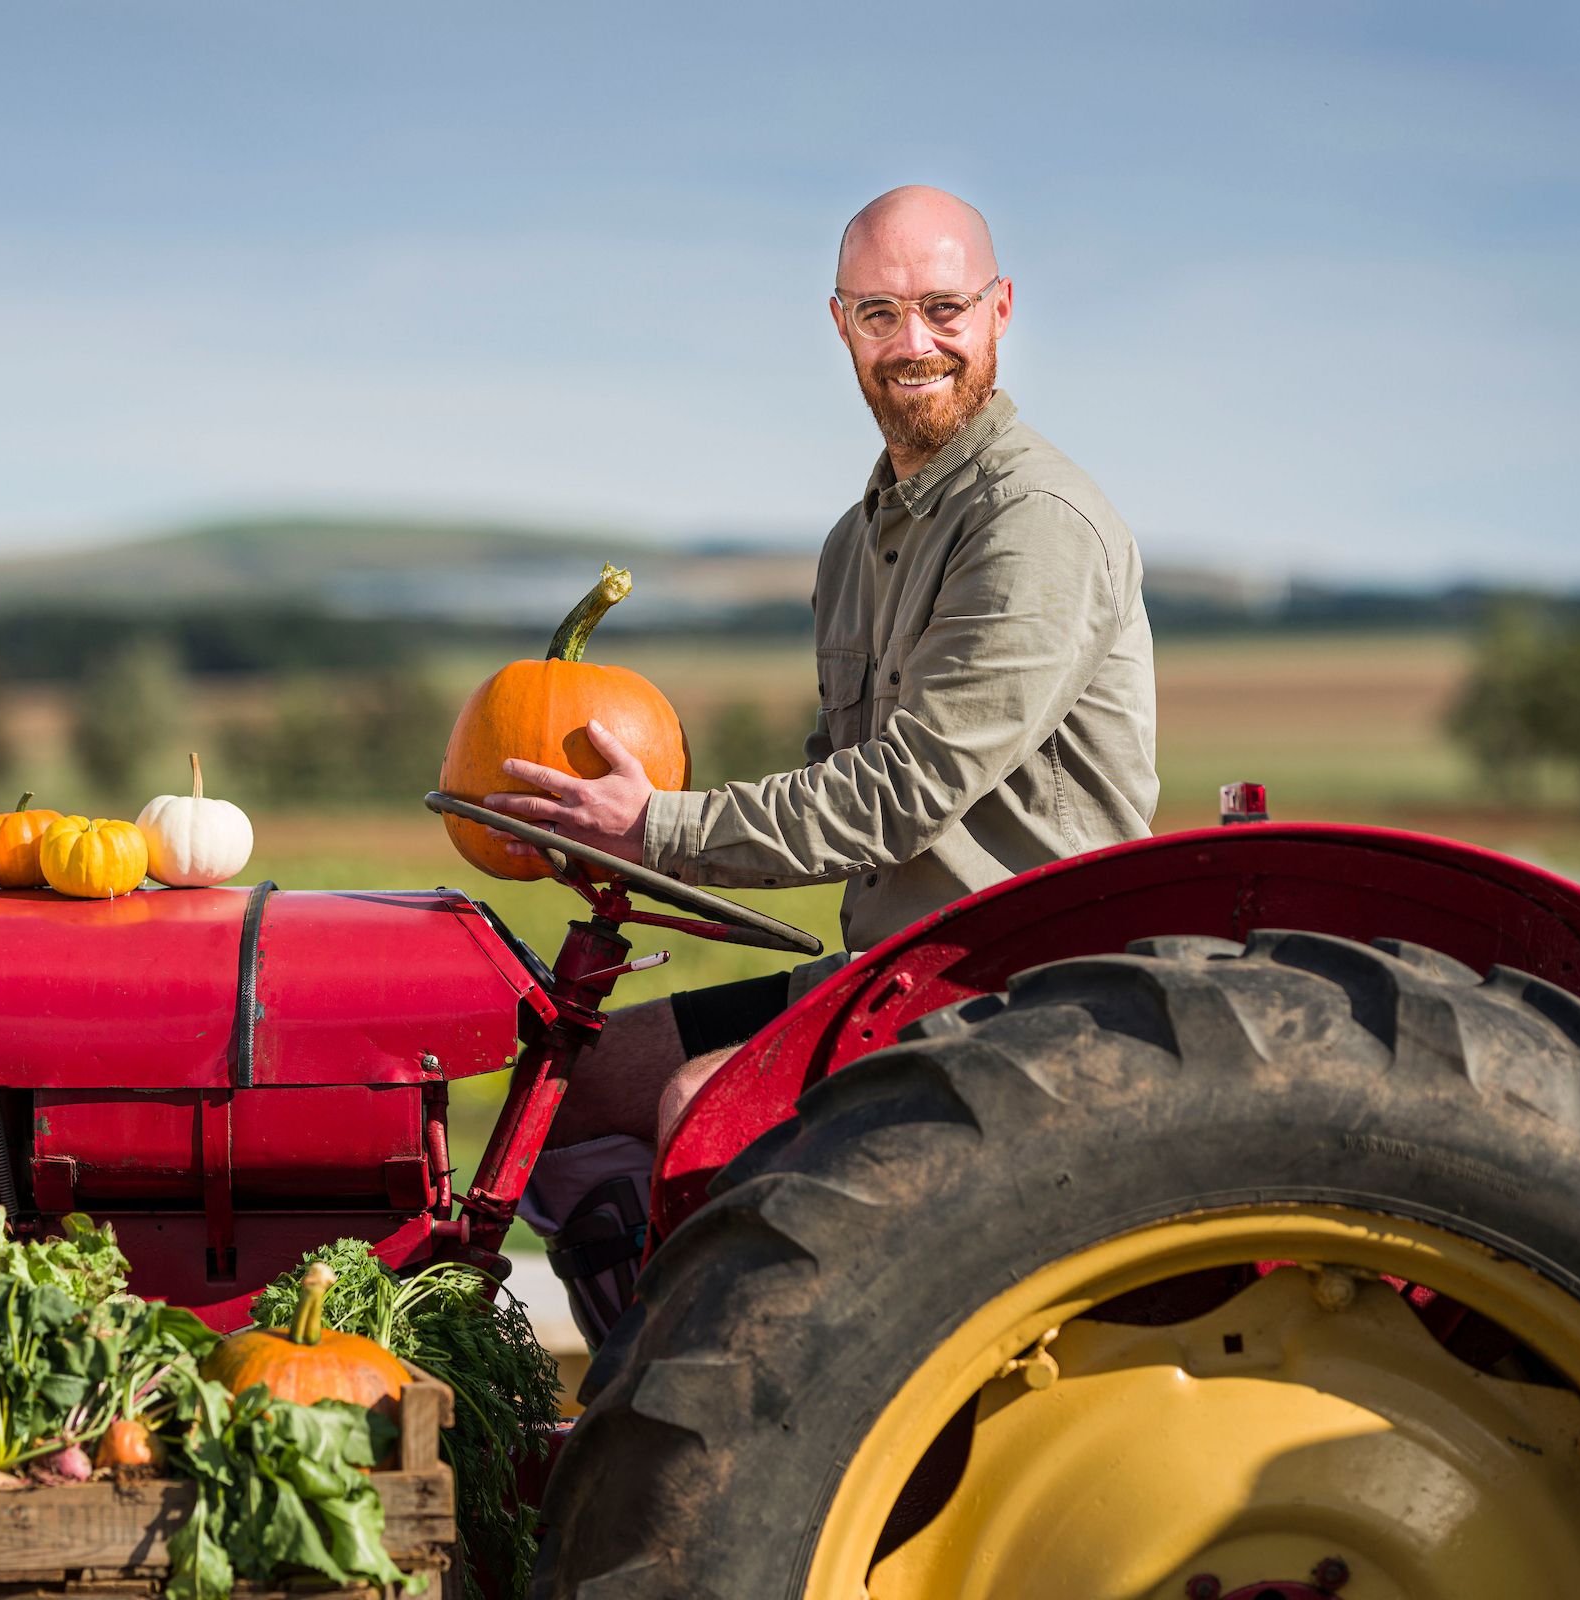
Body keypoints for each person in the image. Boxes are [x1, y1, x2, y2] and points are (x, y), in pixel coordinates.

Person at [485, 185, 1159, 1341]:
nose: (915, 343)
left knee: (707, 1110)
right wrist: (611, 832)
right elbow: (827, 776)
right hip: (891, 966)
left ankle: (738, 1425)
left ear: (999, 311)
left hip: (1020, 978)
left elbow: (898, 793)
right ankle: (642, 1371)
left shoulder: (1034, 521)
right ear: (839, 322)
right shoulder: (859, 541)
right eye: (880, 312)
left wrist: (661, 827)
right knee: (573, 1080)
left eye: (944, 308)